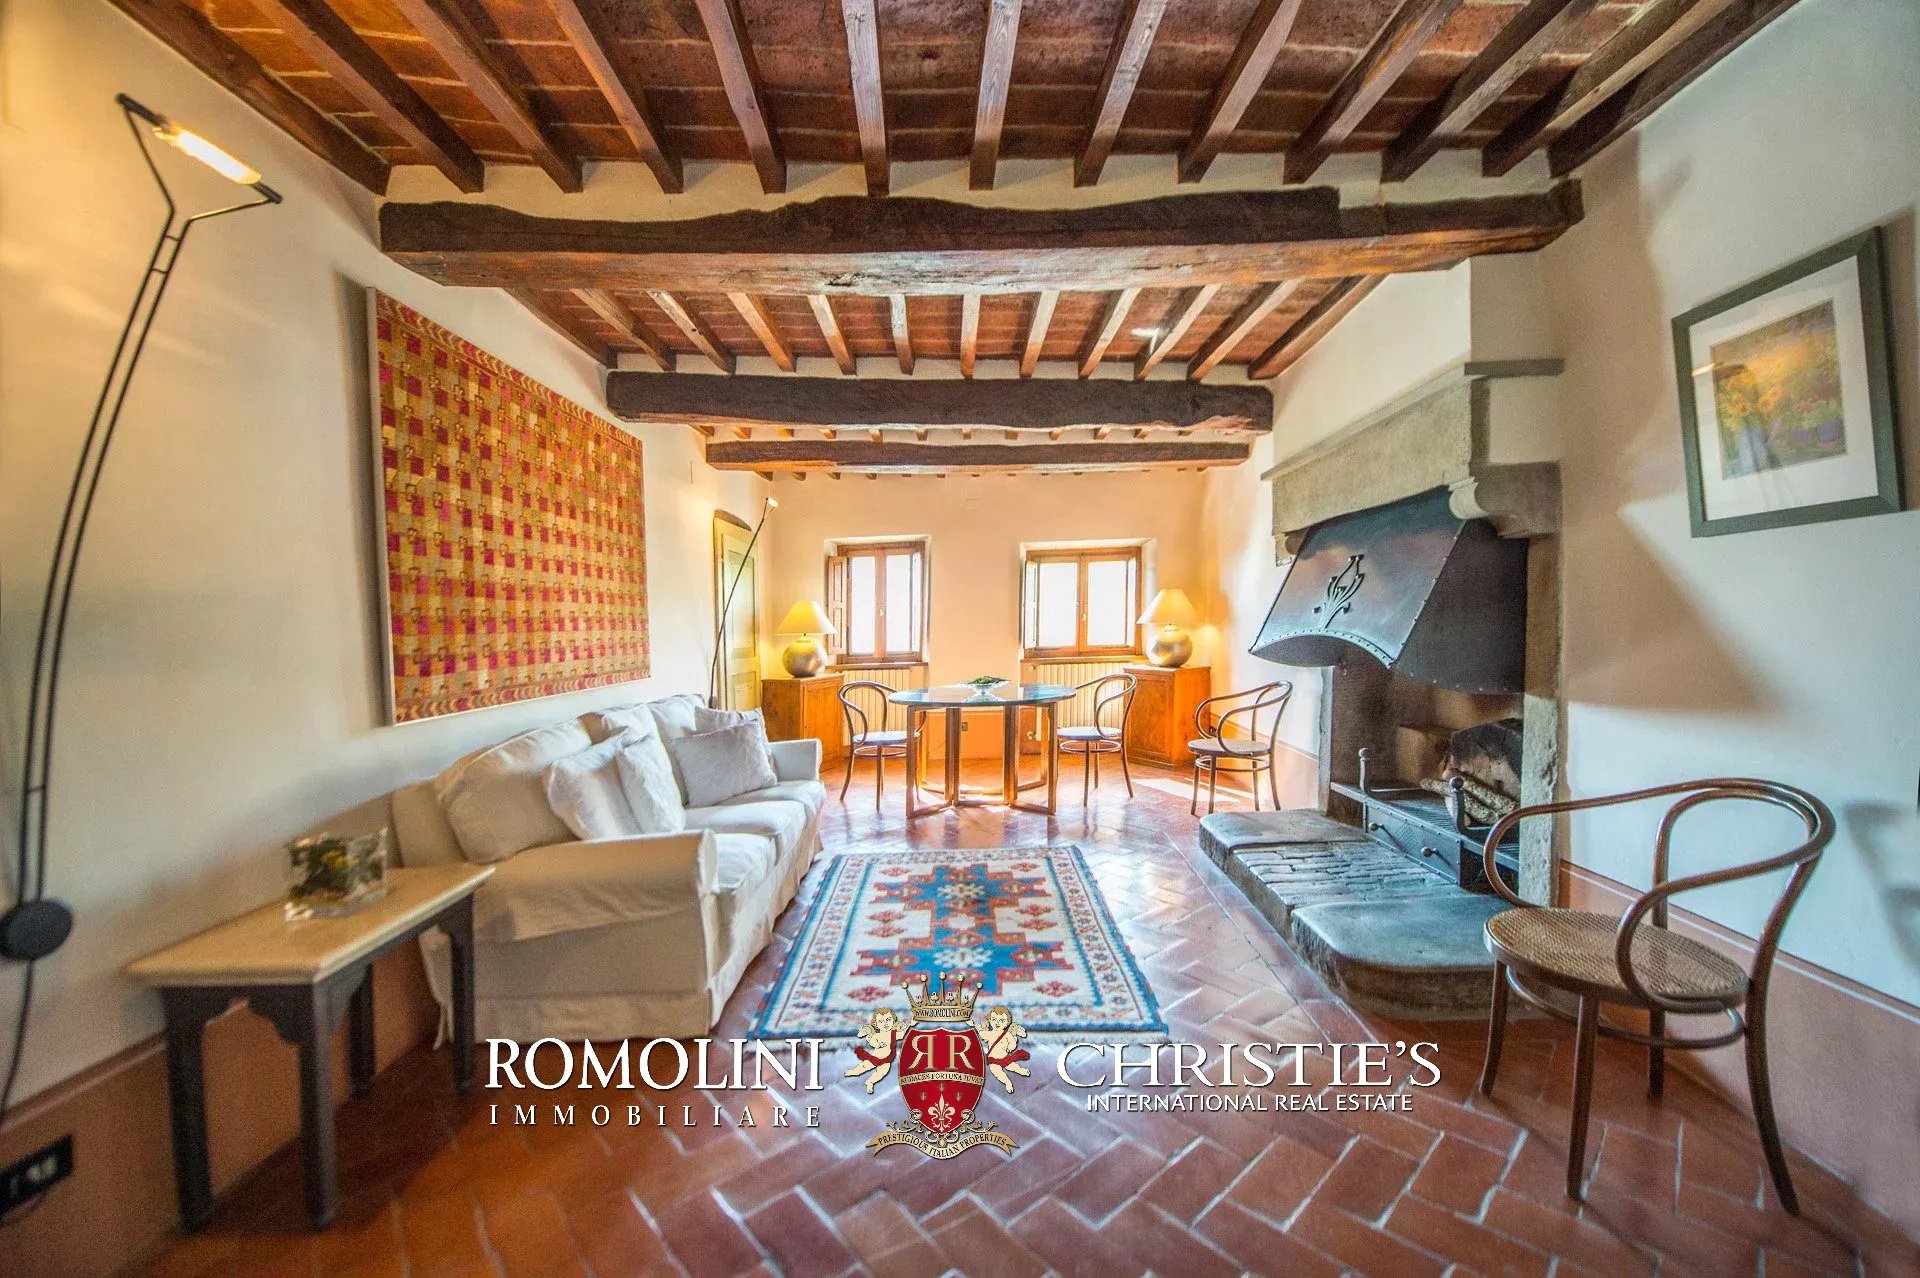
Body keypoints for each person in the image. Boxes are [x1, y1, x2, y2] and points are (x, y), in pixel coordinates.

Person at [978, 1006, 1030, 1092]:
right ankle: (1008, 1082)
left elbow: (982, 1034)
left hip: (1003, 1057)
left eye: (1001, 1021)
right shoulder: (994, 1034)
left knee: (1011, 1067)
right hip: (994, 1060)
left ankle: (1020, 1072)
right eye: (994, 1019)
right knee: (999, 1072)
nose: (997, 1023)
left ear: (1007, 1023)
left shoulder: (995, 1034)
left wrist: (980, 1028)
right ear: (990, 1020)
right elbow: (1012, 1046)